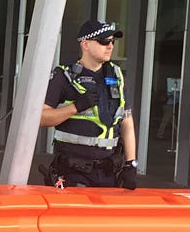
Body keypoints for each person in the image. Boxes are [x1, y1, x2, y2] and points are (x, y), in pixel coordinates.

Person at [38, 20, 138, 188]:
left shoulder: (116, 75)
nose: (110, 46)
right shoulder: (64, 76)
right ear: (85, 44)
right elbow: (40, 118)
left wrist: (131, 164)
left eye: (112, 41)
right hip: (72, 172)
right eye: (104, 41)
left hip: (108, 173)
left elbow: (127, 121)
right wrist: (75, 107)